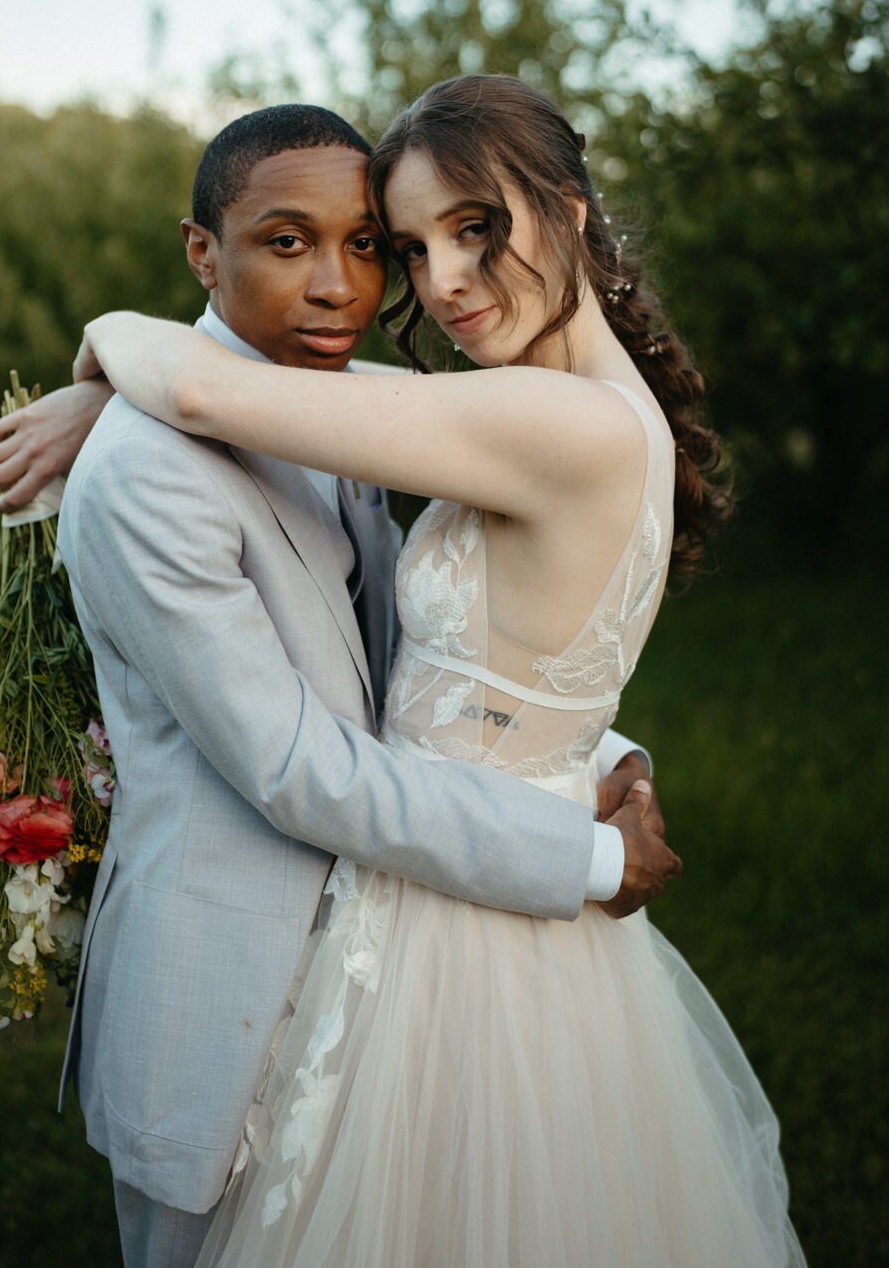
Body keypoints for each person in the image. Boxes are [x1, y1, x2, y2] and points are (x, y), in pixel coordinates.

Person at [70, 77, 806, 1267]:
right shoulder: (547, 409)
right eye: (410, 246)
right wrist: (593, 763)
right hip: (395, 903)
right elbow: (464, 662)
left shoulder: (550, 422)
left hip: (453, 922)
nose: (437, 281)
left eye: (471, 229)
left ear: (564, 211)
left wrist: (101, 347)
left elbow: (213, 389)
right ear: (203, 254)